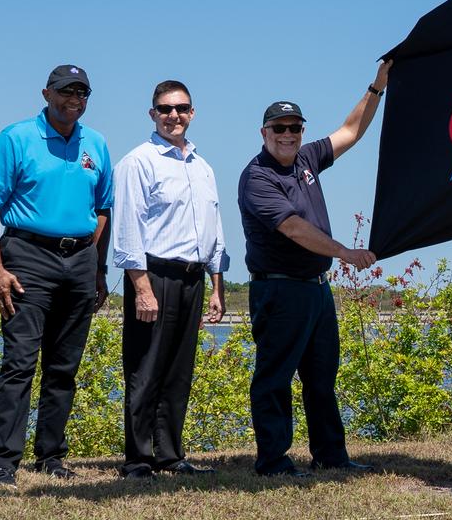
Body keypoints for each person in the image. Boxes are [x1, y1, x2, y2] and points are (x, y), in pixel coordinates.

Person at [238, 61, 392, 477]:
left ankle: (331, 456)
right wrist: (343, 251)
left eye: (295, 128)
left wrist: (376, 88)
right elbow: (293, 228)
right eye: (279, 129)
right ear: (264, 133)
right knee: (275, 379)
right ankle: (272, 461)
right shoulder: (257, 178)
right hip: (279, 291)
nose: (288, 135)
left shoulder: (307, 158)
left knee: (322, 377)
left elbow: (350, 131)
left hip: (316, 290)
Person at [0, 64, 113, 492]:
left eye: (82, 92)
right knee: (19, 364)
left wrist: (98, 266)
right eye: (66, 91)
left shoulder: (97, 144)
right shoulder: (16, 137)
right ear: (47, 93)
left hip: (81, 261)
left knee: (64, 367)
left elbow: (104, 208)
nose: (74, 99)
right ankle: (3, 465)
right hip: (27, 257)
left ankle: (51, 456)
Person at [111, 80, 228, 481]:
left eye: (181, 108)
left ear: (192, 113)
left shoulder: (203, 166)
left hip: (194, 278)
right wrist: (141, 288)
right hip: (154, 275)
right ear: (152, 114)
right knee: (146, 368)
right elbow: (127, 230)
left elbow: (215, 229)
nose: (173, 116)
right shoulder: (138, 162)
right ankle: (139, 459)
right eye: (165, 109)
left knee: (179, 371)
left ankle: (170, 454)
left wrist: (216, 285)